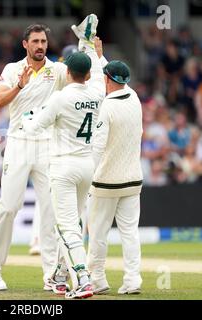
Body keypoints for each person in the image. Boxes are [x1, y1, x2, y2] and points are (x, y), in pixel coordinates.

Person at [0, 14, 101, 292]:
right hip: (19, 142)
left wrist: (90, 48)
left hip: (49, 146)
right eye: (35, 41)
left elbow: (81, 75)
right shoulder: (13, 69)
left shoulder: (58, 70)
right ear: (25, 44)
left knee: (50, 213)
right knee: (8, 208)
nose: (40, 45)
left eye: (44, 41)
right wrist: (19, 86)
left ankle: (51, 275)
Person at [23, 48, 105, 299]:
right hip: (86, 166)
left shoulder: (60, 97)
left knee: (67, 226)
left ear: (67, 72)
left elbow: (34, 127)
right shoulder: (97, 93)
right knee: (75, 223)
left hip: (63, 166)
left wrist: (27, 116)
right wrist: (92, 47)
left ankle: (82, 279)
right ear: (88, 73)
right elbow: (102, 74)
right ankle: (60, 275)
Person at [88, 60, 144, 295]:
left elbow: (97, 146)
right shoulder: (135, 98)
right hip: (133, 179)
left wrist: (87, 176)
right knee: (130, 232)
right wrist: (102, 58)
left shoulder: (107, 107)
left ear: (107, 80)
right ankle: (133, 280)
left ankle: (98, 279)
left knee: (98, 233)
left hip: (106, 182)